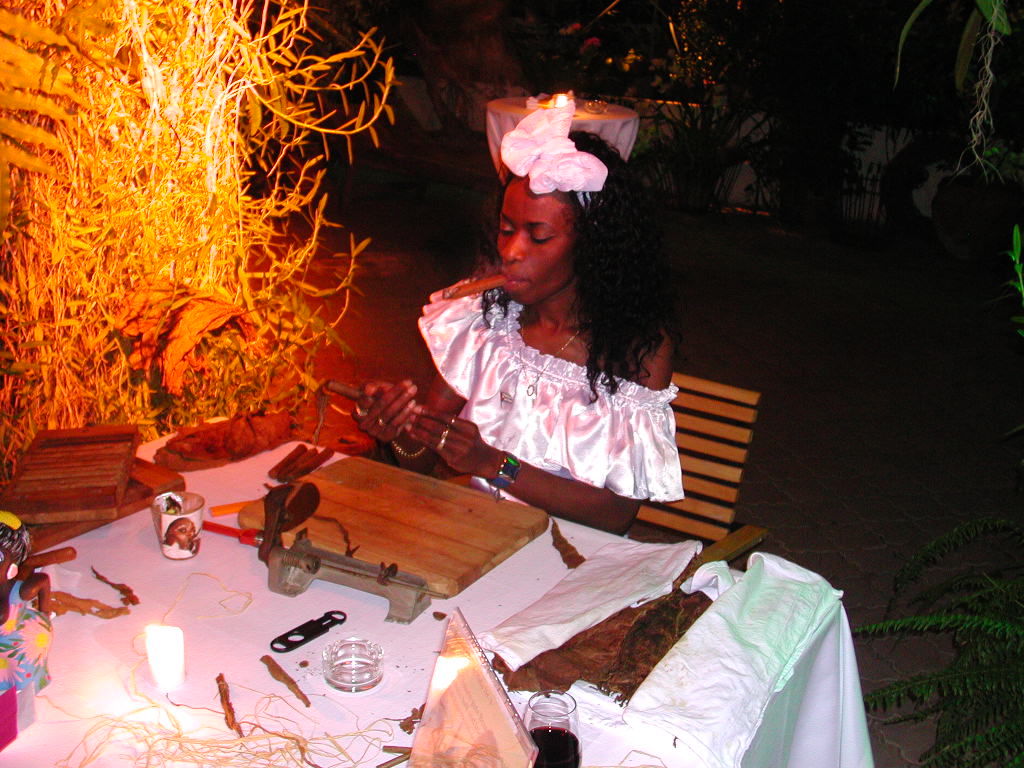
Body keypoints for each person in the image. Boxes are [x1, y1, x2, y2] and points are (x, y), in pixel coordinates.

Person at [350, 100, 683, 534]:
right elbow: (421, 457)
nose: (511, 252)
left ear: (592, 245)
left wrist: (494, 464)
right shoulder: (485, 318)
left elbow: (615, 513)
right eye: (507, 229)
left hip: (569, 550)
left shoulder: (636, 346)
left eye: (538, 237)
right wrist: (396, 429)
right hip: (471, 531)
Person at [0, 510, 52, 695]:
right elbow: (43, 579)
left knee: (17, 678)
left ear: (12, 569)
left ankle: (17, 692)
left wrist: (45, 613)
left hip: (17, 645)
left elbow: (43, 579)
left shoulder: (20, 593)